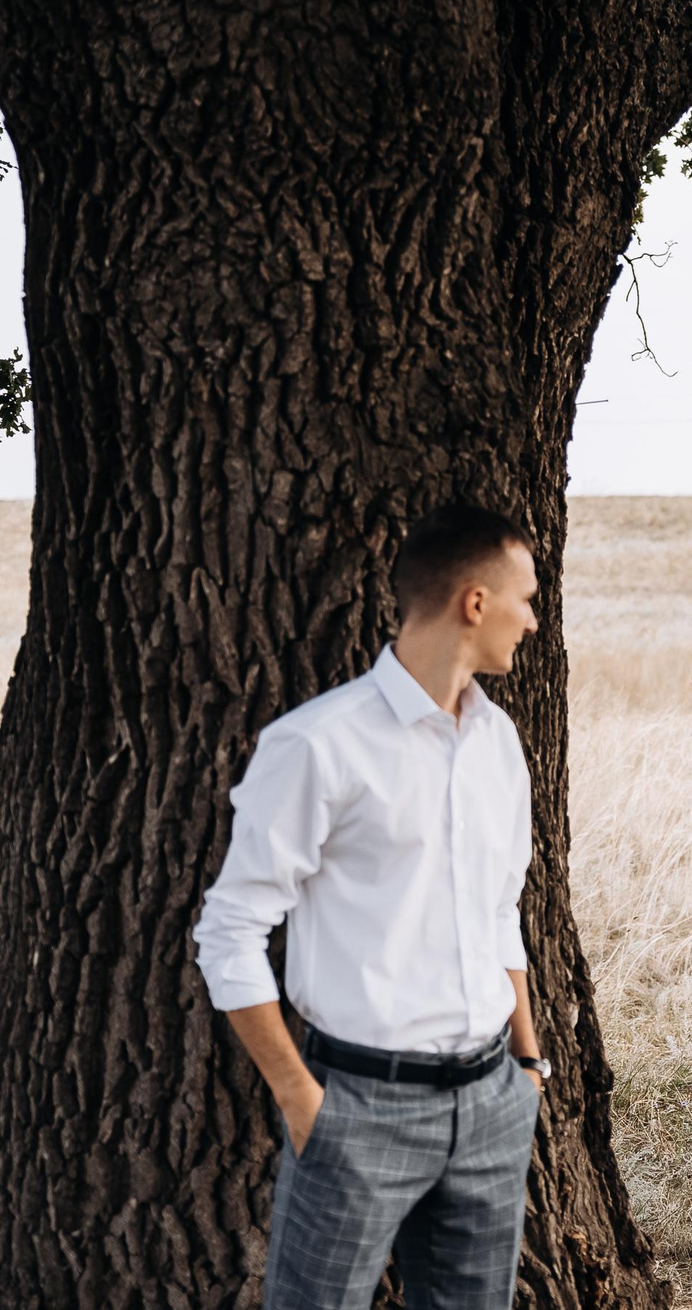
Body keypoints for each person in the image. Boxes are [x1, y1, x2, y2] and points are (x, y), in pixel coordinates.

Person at [193, 503, 551, 1310]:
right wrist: (301, 1098)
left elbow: (502, 911)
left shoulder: (498, 742)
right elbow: (230, 932)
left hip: (493, 1102)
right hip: (357, 1110)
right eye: (525, 599)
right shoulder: (319, 744)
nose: (533, 620)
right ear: (474, 602)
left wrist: (527, 1065)